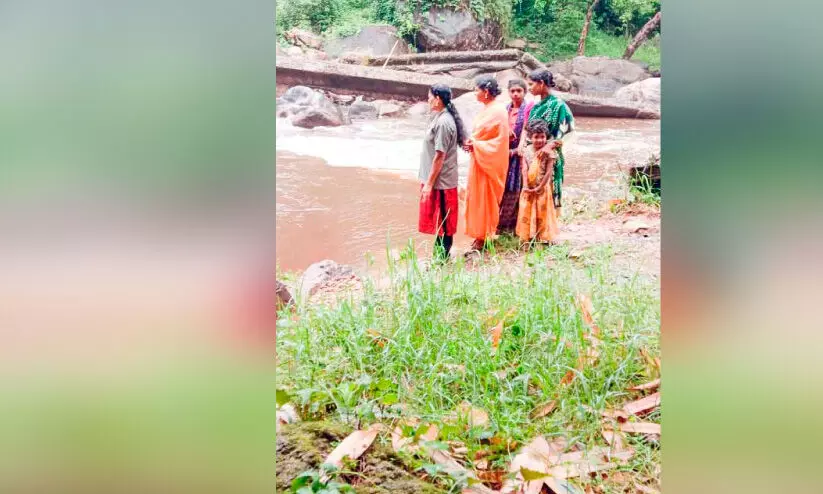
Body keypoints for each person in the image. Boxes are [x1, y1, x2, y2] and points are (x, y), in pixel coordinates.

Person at [418, 83, 466, 260]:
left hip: (442, 182)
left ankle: (442, 260)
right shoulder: (440, 117)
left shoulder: (444, 122)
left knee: (444, 223)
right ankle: (439, 258)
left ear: (438, 98)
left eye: (429, 96)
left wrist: (429, 184)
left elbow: (440, 156)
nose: (428, 99)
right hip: (438, 180)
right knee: (440, 222)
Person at [462, 76, 510, 253]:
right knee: (476, 198)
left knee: (486, 200)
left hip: (490, 161)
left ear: (487, 92)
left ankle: (485, 236)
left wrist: (476, 144)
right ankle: (479, 236)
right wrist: (472, 142)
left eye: (477, 89)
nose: (475, 93)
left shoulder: (498, 111)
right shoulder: (486, 110)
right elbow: (481, 135)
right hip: (479, 160)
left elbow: (500, 141)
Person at [522, 69, 575, 218]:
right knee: (532, 187)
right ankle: (533, 227)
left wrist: (548, 146)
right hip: (533, 154)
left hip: (550, 155)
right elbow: (528, 130)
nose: (530, 88)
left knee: (548, 189)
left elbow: (568, 131)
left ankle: (548, 229)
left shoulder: (559, 105)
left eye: (531, 84)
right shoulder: (536, 106)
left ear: (541, 83)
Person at [497, 78, 534, 234]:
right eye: (513, 91)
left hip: (521, 153)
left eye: (519, 91)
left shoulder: (529, 109)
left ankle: (513, 225)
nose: (516, 94)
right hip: (505, 153)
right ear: (508, 93)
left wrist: (521, 147)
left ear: (524, 92)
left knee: (516, 187)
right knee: (504, 187)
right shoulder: (505, 109)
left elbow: (528, 129)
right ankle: (502, 223)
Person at [516, 119, 559, 244]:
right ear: (530, 137)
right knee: (527, 210)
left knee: (542, 211)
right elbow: (524, 169)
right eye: (536, 137)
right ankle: (528, 236)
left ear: (546, 137)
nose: (539, 140)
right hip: (528, 187)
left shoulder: (549, 153)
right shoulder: (526, 151)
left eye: (542, 137)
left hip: (543, 188)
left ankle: (543, 237)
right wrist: (525, 186)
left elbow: (548, 172)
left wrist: (540, 186)